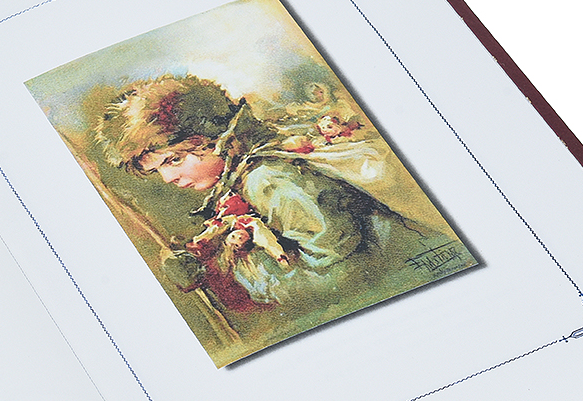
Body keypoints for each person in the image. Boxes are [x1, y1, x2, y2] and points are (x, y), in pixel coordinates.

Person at [94, 74, 474, 333]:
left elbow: (346, 275)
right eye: (158, 170)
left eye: (174, 160)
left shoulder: (268, 180)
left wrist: (253, 278)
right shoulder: (245, 174)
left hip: (420, 292)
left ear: (212, 138)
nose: (170, 178)